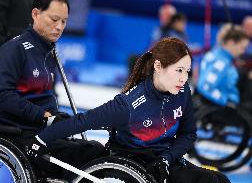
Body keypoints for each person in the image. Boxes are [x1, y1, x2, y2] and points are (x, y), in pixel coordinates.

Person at [24, 37, 231, 183]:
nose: (184, 78)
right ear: (158, 66)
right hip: (134, 165)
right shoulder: (129, 104)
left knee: (219, 179)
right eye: (179, 70)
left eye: (187, 71)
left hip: (164, 161)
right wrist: (41, 139)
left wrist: (167, 158)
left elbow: (188, 133)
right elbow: (82, 121)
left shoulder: (183, 91)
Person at [0, 0, 106, 179]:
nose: (59, 27)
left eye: (64, 21)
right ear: (36, 14)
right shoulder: (14, 49)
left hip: (46, 130)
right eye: (54, 19)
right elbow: (2, 97)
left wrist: (56, 117)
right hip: (24, 135)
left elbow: (45, 97)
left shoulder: (48, 51)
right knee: (89, 154)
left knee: (97, 149)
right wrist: (44, 116)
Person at [197, 24, 249, 107]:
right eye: (242, 48)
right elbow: (205, 86)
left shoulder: (218, 55)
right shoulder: (220, 62)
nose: (243, 52)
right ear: (231, 43)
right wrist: (226, 101)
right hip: (219, 112)